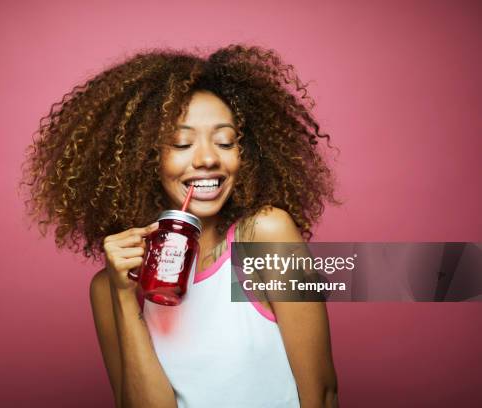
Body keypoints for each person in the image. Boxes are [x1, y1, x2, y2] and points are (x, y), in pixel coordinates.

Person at [19, 44, 339, 407]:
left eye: (225, 141)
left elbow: (322, 394)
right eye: (181, 143)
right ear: (144, 158)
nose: (206, 159)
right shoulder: (109, 288)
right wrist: (125, 299)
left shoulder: (266, 234)